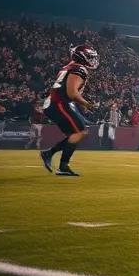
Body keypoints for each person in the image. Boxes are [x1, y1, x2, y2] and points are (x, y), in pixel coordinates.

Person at [40, 44, 99, 177]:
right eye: (89, 57)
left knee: (78, 132)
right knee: (79, 132)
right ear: (82, 57)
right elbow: (72, 93)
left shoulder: (69, 67)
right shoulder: (79, 69)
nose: (92, 60)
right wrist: (87, 104)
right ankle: (61, 164)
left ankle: (50, 155)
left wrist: (82, 104)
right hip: (59, 103)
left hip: (59, 102)